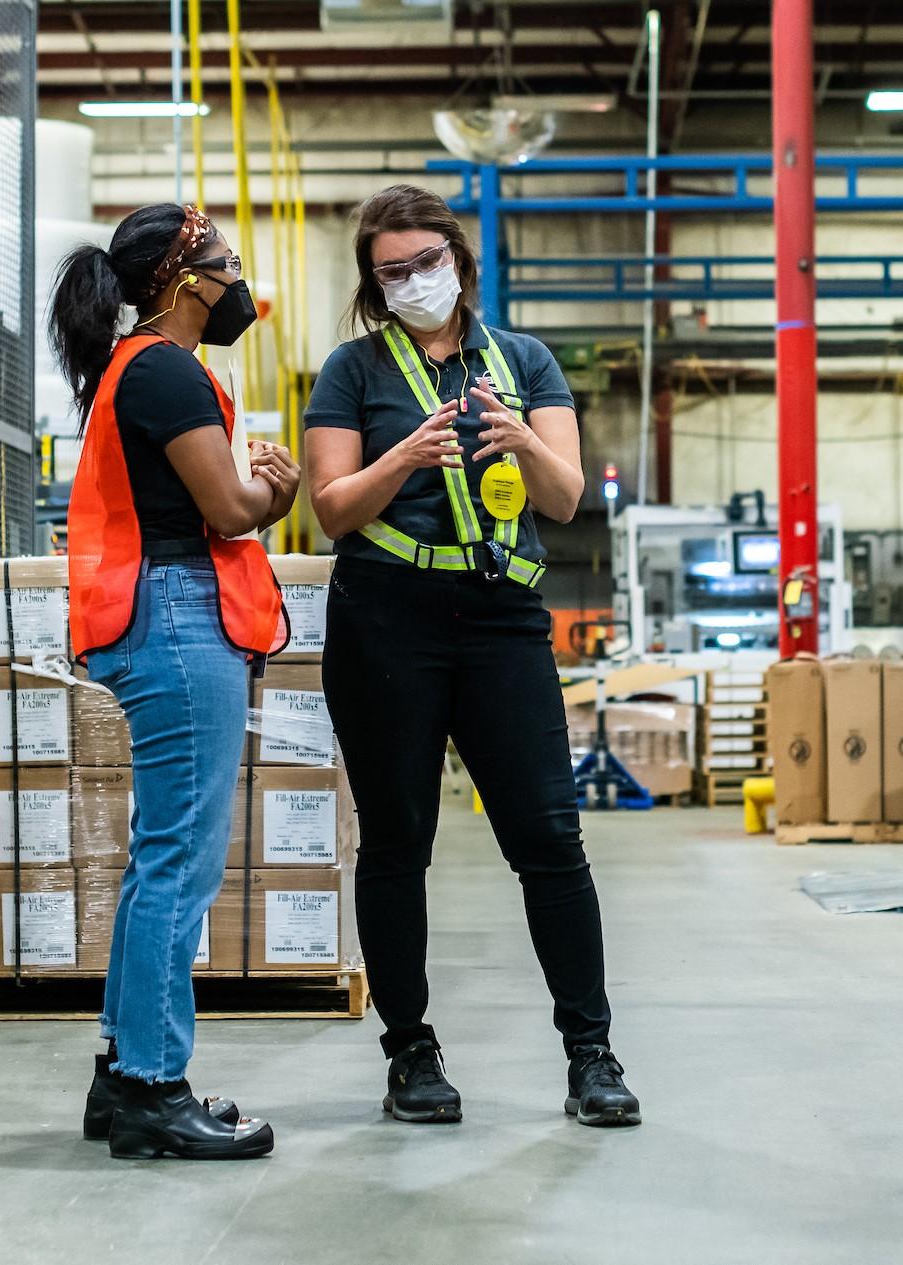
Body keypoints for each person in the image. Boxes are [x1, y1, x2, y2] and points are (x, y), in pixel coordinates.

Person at [304, 184, 640, 1128]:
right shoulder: (353, 370)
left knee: (549, 837)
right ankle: (410, 1051)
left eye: (427, 261)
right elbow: (330, 508)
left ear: (458, 257)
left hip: (500, 615)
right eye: (393, 271)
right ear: (374, 285)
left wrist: (523, 437)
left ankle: (592, 1054)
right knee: (398, 839)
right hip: (386, 616)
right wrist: (402, 458)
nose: (415, 280)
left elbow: (567, 497)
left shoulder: (522, 360)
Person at [49, 204, 300, 1160]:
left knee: (159, 858)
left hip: (155, 615)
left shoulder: (142, 369)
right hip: (178, 616)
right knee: (179, 866)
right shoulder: (163, 369)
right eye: (227, 264)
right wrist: (278, 490)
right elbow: (230, 507)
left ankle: (122, 1076)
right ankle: (156, 1089)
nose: (239, 281)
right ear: (185, 277)